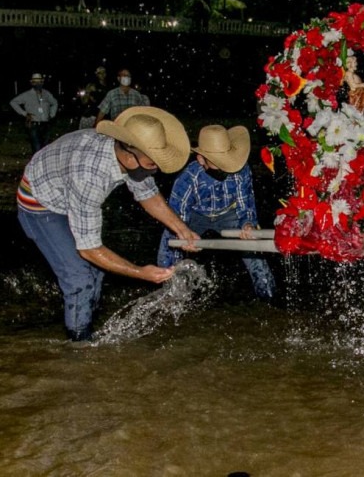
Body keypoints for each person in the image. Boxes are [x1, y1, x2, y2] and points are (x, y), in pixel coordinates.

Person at [16, 106, 201, 341]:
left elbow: (148, 194)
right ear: (128, 156)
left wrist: (182, 229)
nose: (158, 168)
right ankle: (79, 345)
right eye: (153, 163)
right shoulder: (91, 175)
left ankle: (84, 318)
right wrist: (140, 273)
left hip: (68, 190)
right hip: (40, 203)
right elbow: (89, 249)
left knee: (99, 270)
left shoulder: (134, 157)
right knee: (79, 278)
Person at [157, 124, 276, 299]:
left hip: (229, 214)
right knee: (168, 246)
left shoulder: (241, 169)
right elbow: (176, 214)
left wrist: (248, 224)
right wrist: (182, 234)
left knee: (254, 247)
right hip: (195, 216)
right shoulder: (188, 177)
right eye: (216, 162)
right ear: (201, 160)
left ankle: (269, 298)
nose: (224, 167)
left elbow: (246, 203)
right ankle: (170, 297)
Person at [10, 73, 59, 153]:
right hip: (33, 124)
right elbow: (13, 102)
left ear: (42, 82)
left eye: (39, 82)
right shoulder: (26, 95)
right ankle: (37, 163)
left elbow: (54, 103)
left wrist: (52, 114)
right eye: (35, 82)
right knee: (37, 146)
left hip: (46, 123)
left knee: (45, 147)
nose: (37, 84)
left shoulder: (46, 94)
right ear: (32, 83)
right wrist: (24, 113)